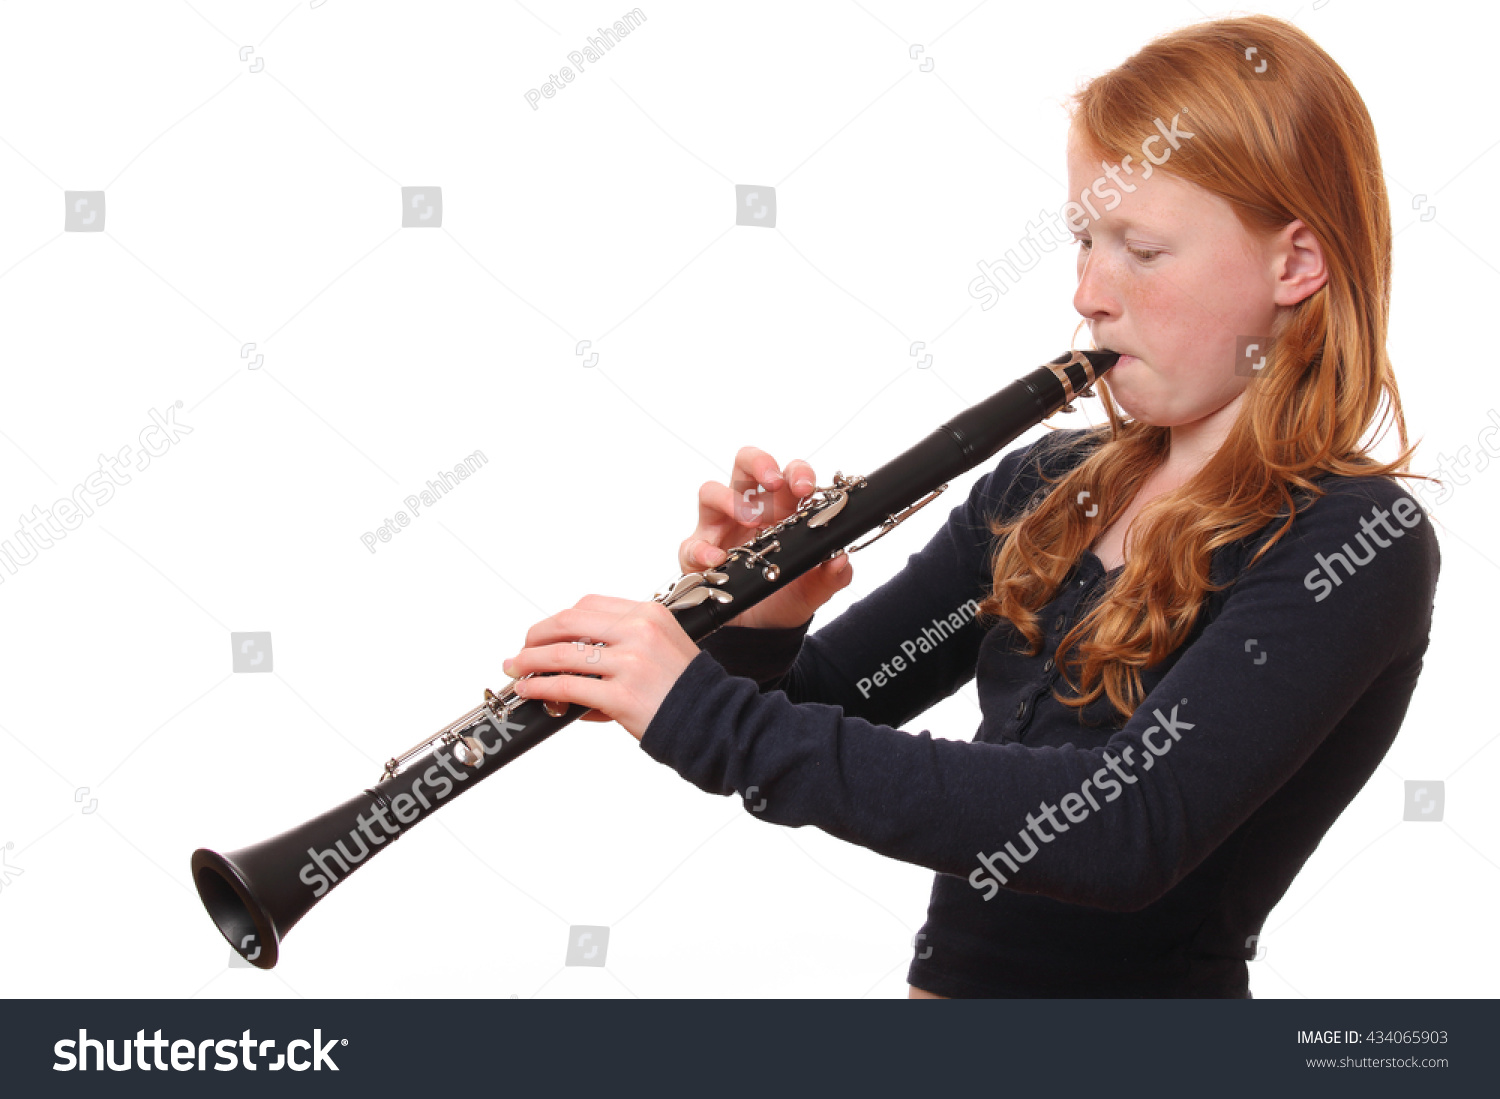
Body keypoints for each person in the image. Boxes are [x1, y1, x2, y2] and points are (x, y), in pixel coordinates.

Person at [498, 14, 1441, 997]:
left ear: (1295, 265)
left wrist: (707, 709)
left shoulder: (1354, 541)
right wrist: (760, 630)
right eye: (1084, 239)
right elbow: (818, 719)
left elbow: (1124, 829)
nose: (1088, 293)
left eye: (1142, 249)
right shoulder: (1045, 488)